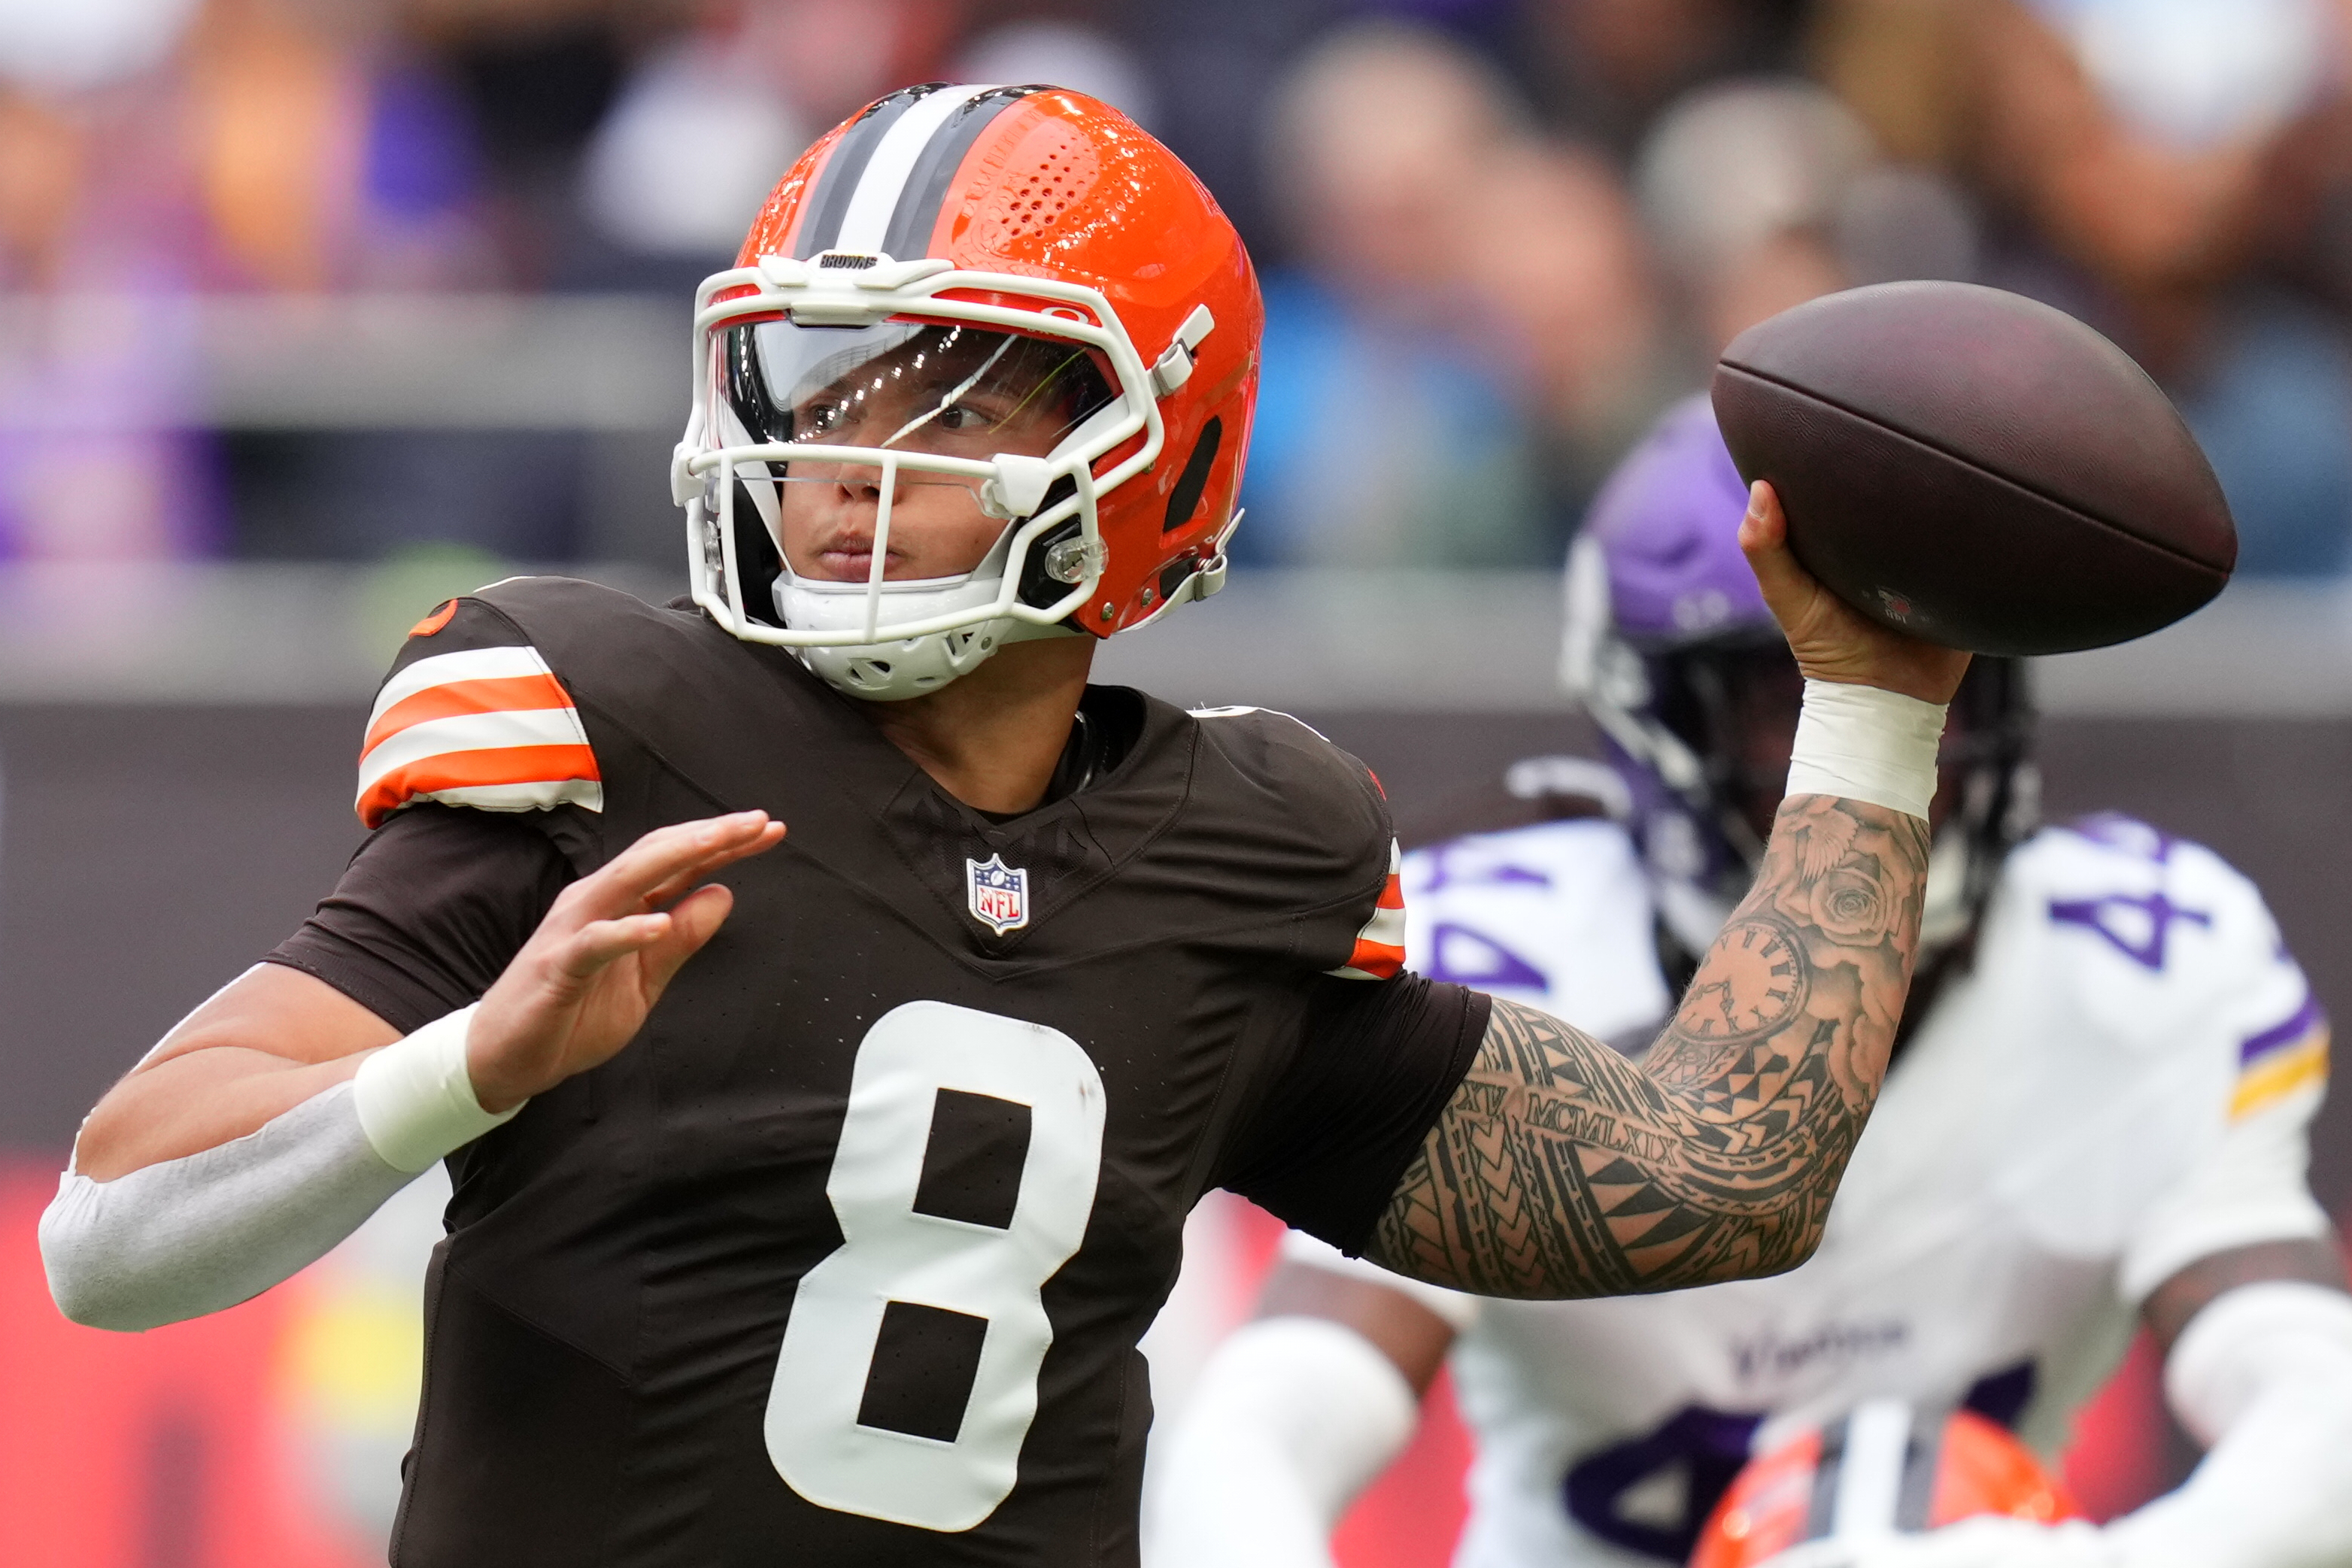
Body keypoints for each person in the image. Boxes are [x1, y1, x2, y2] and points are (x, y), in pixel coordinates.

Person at [38, 88, 1963, 1565]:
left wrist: (1874, 708)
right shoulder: (613, 744)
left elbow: (1719, 1177)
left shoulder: (1241, 851)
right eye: (812, 379)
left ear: (1164, 449)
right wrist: (473, 1058)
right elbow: (111, 1236)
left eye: (948, 399)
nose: (837, 461)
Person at [1148, 398, 2352, 1568]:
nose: (1893, 736)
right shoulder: (1507, 959)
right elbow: (1269, 1426)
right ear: (1658, 724)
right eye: (1797, 699)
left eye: (1935, 678)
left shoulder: (2145, 963)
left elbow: (2312, 1402)